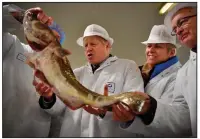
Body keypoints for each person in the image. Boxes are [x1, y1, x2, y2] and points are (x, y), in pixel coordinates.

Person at [33, 24, 145, 137]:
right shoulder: (75, 74)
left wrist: (106, 111)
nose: (88, 48)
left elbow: (134, 104)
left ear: (107, 45)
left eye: (93, 44)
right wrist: (49, 97)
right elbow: (58, 109)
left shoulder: (127, 67)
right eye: (85, 45)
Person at [112, 3, 196, 137]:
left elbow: (175, 122)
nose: (150, 50)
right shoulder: (142, 74)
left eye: (157, 46)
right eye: (149, 46)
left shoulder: (178, 76)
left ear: (172, 52)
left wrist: (148, 108)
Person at [2, 4, 65, 137]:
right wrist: (25, 16)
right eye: (50, 34)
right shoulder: (12, 45)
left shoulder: (60, 70)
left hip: (36, 133)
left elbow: (60, 109)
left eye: (57, 40)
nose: (51, 42)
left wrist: (49, 98)